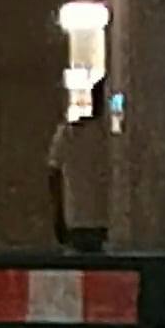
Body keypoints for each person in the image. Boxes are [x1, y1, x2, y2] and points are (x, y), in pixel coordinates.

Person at [49, 95, 113, 252]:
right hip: (100, 219)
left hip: (76, 218)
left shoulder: (68, 133)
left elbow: (54, 174)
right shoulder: (104, 134)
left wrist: (57, 214)